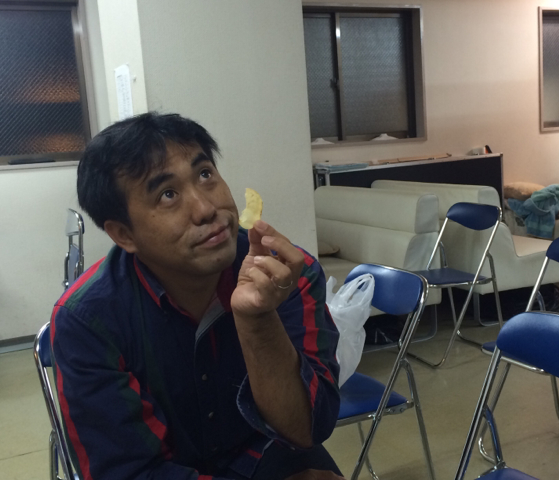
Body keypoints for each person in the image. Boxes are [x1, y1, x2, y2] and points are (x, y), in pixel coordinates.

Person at [50, 112, 343, 480]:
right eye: (167, 194)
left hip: (265, 452)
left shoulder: (285, 274)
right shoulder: (88, 320)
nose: (206, 209)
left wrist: (258, 320)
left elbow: (306, 429)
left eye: (205, 174)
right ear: (124, 234)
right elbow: (127, 472)